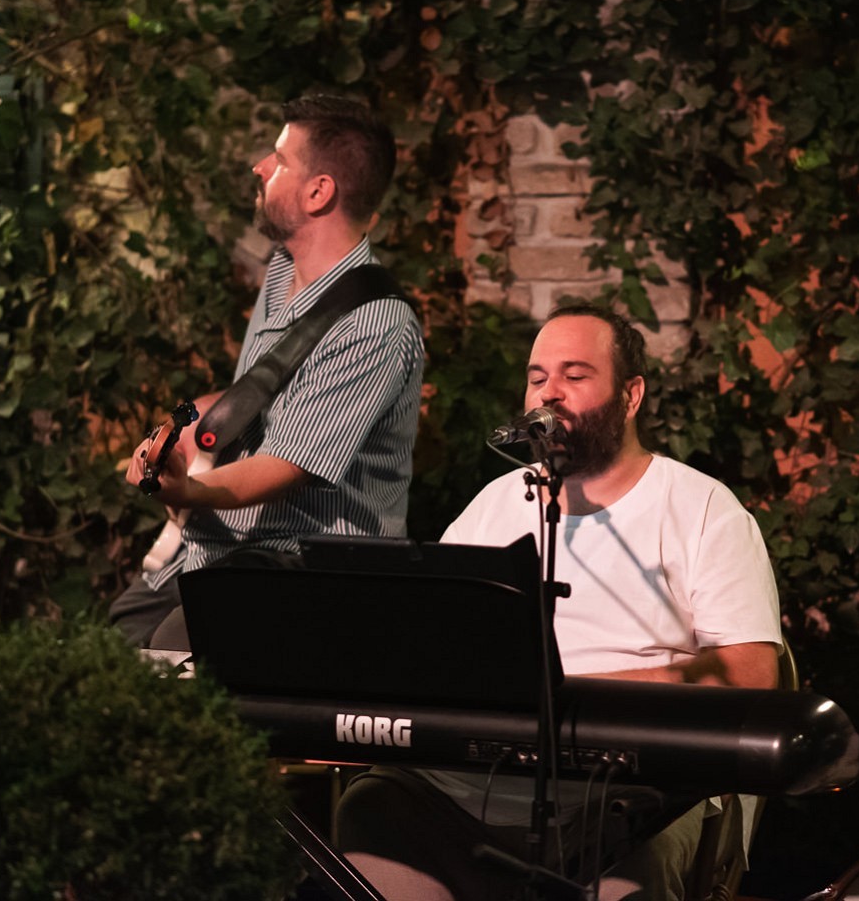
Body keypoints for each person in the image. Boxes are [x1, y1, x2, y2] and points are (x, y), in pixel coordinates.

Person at [336, 304, 784, 900]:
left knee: (641, 856)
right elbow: (429, 644)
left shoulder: (702, 507)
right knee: (372, 806)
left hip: (631, 793)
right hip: (468, 790)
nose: (549, 393)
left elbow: (751, 674)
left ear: (631, 396)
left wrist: (569, 692)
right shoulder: (493, 506)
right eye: (537, 377)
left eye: (575, 375)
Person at [110, 94, 425, 648]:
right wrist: (178, 433)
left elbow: (284, 466)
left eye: (279, 160)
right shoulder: (283, 270)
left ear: (319, 192)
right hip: (221, 550)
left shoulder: (375, 323)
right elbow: (263, 398)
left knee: (170, 654)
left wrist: (188, 488)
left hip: (303, 568)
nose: (260, 167)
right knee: (113, 645)